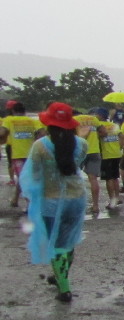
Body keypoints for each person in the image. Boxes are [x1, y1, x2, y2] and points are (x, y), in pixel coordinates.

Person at [20, 102, 87, 303]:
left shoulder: (39, 146)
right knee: (69, 240)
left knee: (56, 243)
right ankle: (60, 276)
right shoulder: (82, 144)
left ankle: (64, 289)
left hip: (51, 201)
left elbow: (34, 174)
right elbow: (76, 165)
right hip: (76, 199)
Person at [3, 101, 45, 209]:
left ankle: (30, 204)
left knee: (23, 178)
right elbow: (42, 133)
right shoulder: (32, 121)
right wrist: (35, 139)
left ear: (13, 111)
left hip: (17, 155)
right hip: (31, 154)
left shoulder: (9, 120)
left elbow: (2, 133)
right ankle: (15, 199)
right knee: (24, 177)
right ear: (24, 111)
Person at [73, 109, 103, 215]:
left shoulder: (73, 119)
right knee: (93, 179)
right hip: (94, 151)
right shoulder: (94, 119)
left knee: (74, 178)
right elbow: (103, 132)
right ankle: (95, 206)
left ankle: (75, 205)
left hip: (79, 151)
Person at [95, 108, 124, 209]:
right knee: (115, 177)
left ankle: (112, 200)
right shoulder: (114, 125)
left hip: (106, 155)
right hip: (116, 153)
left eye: (96, 114)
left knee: (109, 178)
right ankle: (117, 197)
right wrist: (120, 147)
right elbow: (122, 136)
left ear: (100, 115)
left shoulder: (98, 125)